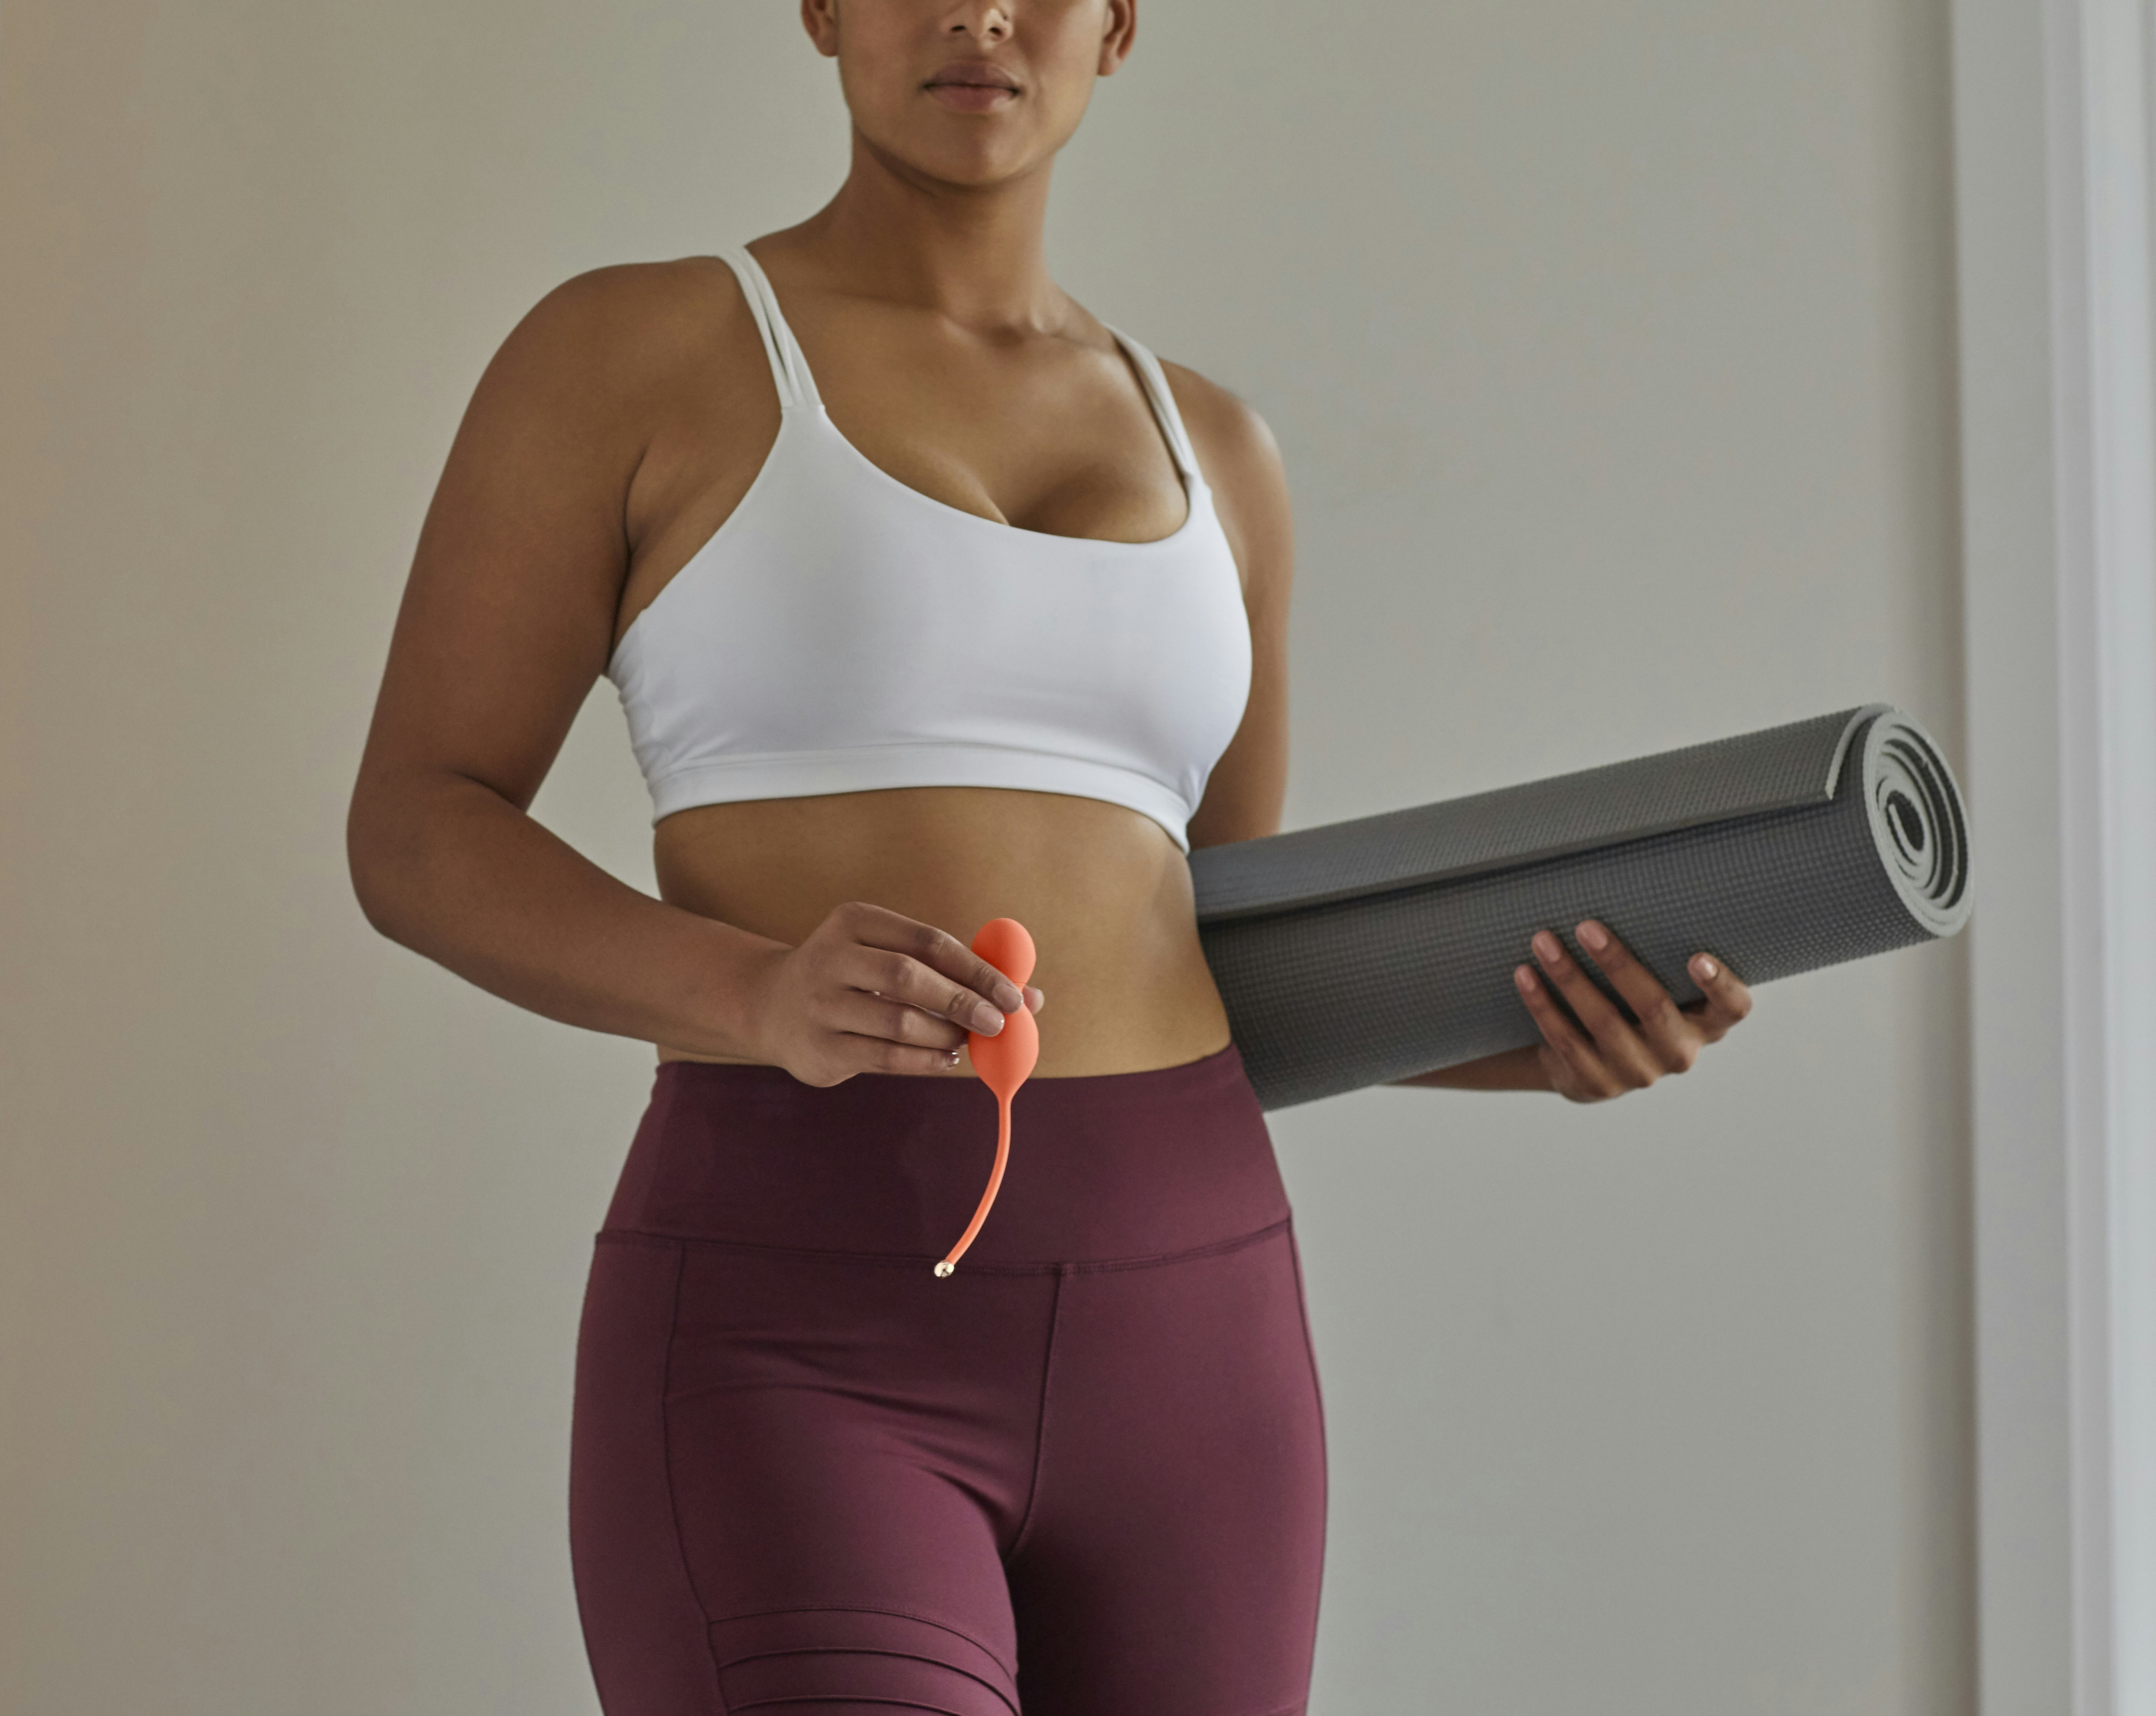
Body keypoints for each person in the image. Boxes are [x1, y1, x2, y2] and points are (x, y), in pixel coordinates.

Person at [346, 2, 1756, 1710]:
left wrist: (1529, 1036)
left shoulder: (1220, 452)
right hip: (796, 1332)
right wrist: (752, 987)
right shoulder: (634, 351)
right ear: (819, 8)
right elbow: (419, 822)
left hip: (1203, 1352)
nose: (980, 13)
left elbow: (1233, 954)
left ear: (1120, 23)